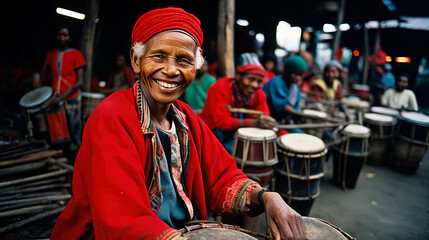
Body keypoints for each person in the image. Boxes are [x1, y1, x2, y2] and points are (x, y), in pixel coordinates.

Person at [50, 7, 305, 240]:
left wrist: (266, 196)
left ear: (196, 66)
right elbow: (122, 216)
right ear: (136, 60)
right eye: (158, 56)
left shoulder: (184, 116)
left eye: (183, 60)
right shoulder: (111, 116)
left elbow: (221, 176)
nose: (171, 70)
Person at [199, 52, 277, 153]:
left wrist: (265, 121)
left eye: (259, 81)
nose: (255, 85)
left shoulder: (259, 94)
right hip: (212, 130)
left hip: (237, 130)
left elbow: (263, 114)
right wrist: (254, 122)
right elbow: (221, 122)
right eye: (251, 79)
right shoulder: (220, 88)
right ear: (238, 76)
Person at [40, 26, 86, 148]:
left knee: (73, 130)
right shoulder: (51, 54)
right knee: (59, 130)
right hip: (56, 95)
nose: (61, 37)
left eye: (65, 35)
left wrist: (63, 97)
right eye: (59, 35)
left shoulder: (76, 54)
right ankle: (63, 153)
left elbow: (79, 82)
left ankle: (76, 156)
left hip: (72, 97)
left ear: (69, 38)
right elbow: (45, 75)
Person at [263, 55, 307, 133]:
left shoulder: (294, 86)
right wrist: (300, 114)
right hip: (271, 122)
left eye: (301, 75)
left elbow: (296, 105)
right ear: (287, 72)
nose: (298, 78)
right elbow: (282, 106)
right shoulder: (276, 83)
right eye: (295, 74)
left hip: (285, 122)